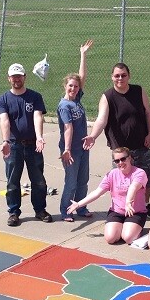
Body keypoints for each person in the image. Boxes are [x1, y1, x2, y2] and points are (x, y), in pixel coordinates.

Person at [83, 63, 150, 217]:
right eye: (117, 75)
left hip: (141, 145)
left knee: (146, 179)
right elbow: (101, 119)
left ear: (129, 76)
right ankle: (121, 207)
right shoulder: (108, 96)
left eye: (123, 75)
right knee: (120, 182)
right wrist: (93, 136)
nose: (120, 78)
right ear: (112, 77)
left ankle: (144, 205)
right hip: (120, 150)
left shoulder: (138, 91)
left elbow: (148, 113)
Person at [0, 63, 54, 227]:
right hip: (14, 146)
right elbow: (5, 121)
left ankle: (40, 210)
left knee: (38, 180)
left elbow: (37, 116)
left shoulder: (35, 96)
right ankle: (13, 212)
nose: (16, 79)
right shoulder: (3, 99)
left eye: (19, 76)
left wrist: (39, 137)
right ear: (9, 79)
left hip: (32, 145)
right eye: (13, 76)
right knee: (13, 181)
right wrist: (6, 141)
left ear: (24, 77)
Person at [67, 147, 148, 245]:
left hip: (135, 212)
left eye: (123, 159)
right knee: (110, 239)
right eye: (117, 161)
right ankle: (123, 228)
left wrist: (128, 202)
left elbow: (133, 188)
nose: (120, 163)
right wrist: (79, 204)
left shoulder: (139, 173)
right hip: (116, 211)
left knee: (128, 238)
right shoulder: (111, 174)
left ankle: (133, 230)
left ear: (130, 158)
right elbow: (97, 192)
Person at [58, 40, 94, 222]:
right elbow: (68, 127)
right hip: (71, 150)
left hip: (83, 147)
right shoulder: (65, 106)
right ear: (65, 86)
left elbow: (82, 77)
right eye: (70, 86)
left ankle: (81, 207)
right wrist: (67, 149)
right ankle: (66, 210)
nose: (73, 88)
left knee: (83, 181)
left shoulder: (76, 100)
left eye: (76, 86)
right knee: (71, 182)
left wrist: (83, 54)